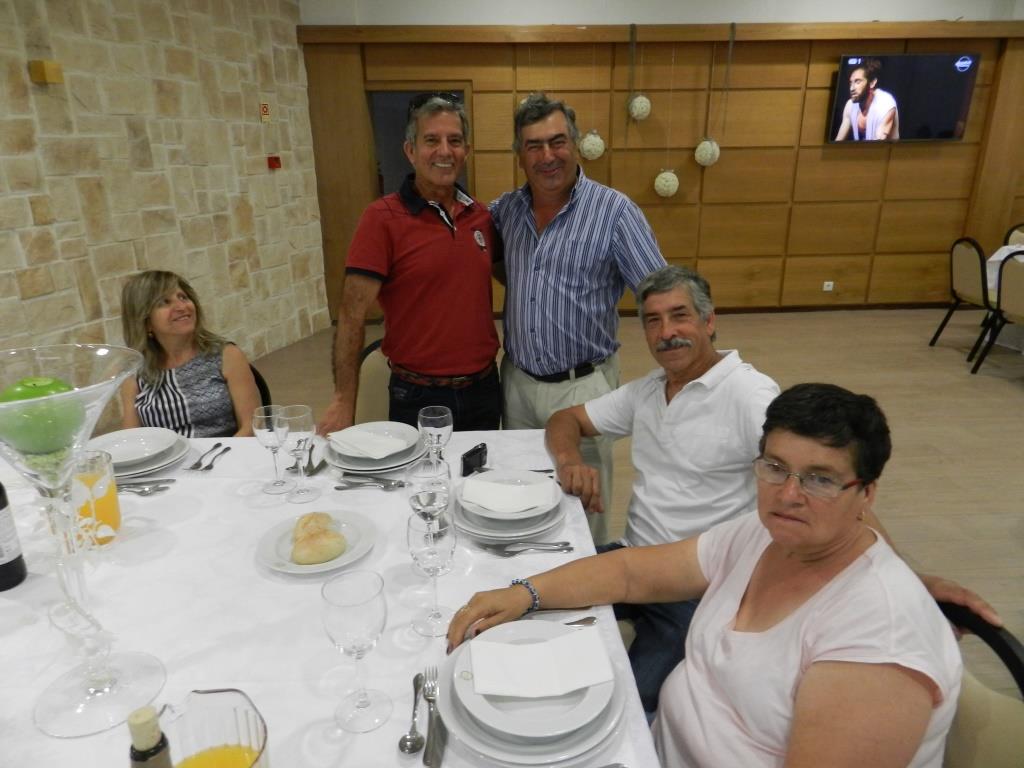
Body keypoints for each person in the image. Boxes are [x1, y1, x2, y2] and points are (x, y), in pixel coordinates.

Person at [450, 383, 964, 768]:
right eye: (776, 467)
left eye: (820, 479)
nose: (788, 495)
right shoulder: (764, 534)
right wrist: (525, 593)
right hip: (651, 742)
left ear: (866, 494)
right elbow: (631, 573)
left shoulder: (878, 642)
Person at [546, 264, 778, 713]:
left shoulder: (751, 396)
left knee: (629, 702)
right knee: (530, 603)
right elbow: (565, 419)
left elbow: (812, 473)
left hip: (697, 583)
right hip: (631, 557)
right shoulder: (649, 391)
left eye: (679, 316)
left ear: (709, 321)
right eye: (653, 320)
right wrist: (571, 460)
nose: (666, 332)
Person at [490, 92, 666, 541]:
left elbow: (659, 295)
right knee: (522, 498)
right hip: (517, 384)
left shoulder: (615, 213)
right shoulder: (505, 212)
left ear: (575, 144)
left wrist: (686, 373)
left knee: (584, 511)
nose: (547, 156)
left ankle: (589, 583)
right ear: (519, 155)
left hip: (582, 388)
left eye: (557, 142)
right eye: (534, 146)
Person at [316, 93, 501, 435]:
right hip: (417, 396)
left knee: (480, 471)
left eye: (454, 141)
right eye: (431, 140)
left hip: (484, 390)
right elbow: (352, 313)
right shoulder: (381, 218)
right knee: (419, 472)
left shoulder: (482, 216)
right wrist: (343, 400)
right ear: (410, 151)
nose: (444, 151)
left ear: (466, 151)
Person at [120, 270, 260, 437]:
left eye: (183, 297)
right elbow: (132, 439)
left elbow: (251, 426)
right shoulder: (134, 372)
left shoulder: (226, 355)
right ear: (145, 321)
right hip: (166, 455)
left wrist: (218, 454)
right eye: (164, 302)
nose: (181, 307)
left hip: (224, 451)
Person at [834, 58, 900, 141]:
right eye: (851, 83)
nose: (851, 88)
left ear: (872, 83)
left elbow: (878, 144)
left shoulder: (886, 104)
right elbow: (838, 141)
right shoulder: (850, 106)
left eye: (858, 82)